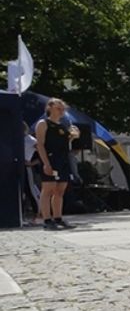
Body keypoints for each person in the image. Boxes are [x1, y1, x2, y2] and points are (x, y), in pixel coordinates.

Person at [34, 98, 76, 230]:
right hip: (50, 159)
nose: (62, 111)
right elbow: (40, 145)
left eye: (63, 109)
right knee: (48, 189)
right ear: (50, 107)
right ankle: (47, 220)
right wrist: (46, 163)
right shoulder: (43, 123)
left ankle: (58, 218)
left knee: (60, 190)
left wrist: (73, 137)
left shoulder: (63, 126)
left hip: (62, 160)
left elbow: (65, 144)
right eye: (59, 108)